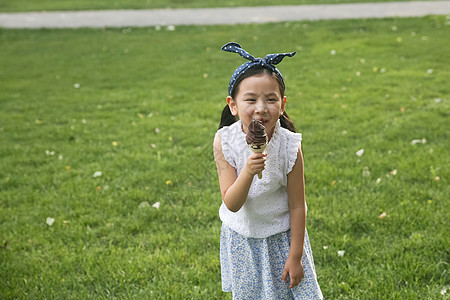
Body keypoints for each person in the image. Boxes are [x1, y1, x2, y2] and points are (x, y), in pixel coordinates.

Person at [213, 42, 323, 299]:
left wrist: (295, 257)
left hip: (282, 238)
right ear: (233, 105)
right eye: (250, 99)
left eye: (270, 99)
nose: (261, 107)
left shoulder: (289, 145)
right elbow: (231, 202)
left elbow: (298, 205)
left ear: (282, 104)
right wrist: (248, 172)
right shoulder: (224, 141)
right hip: (244, 239)